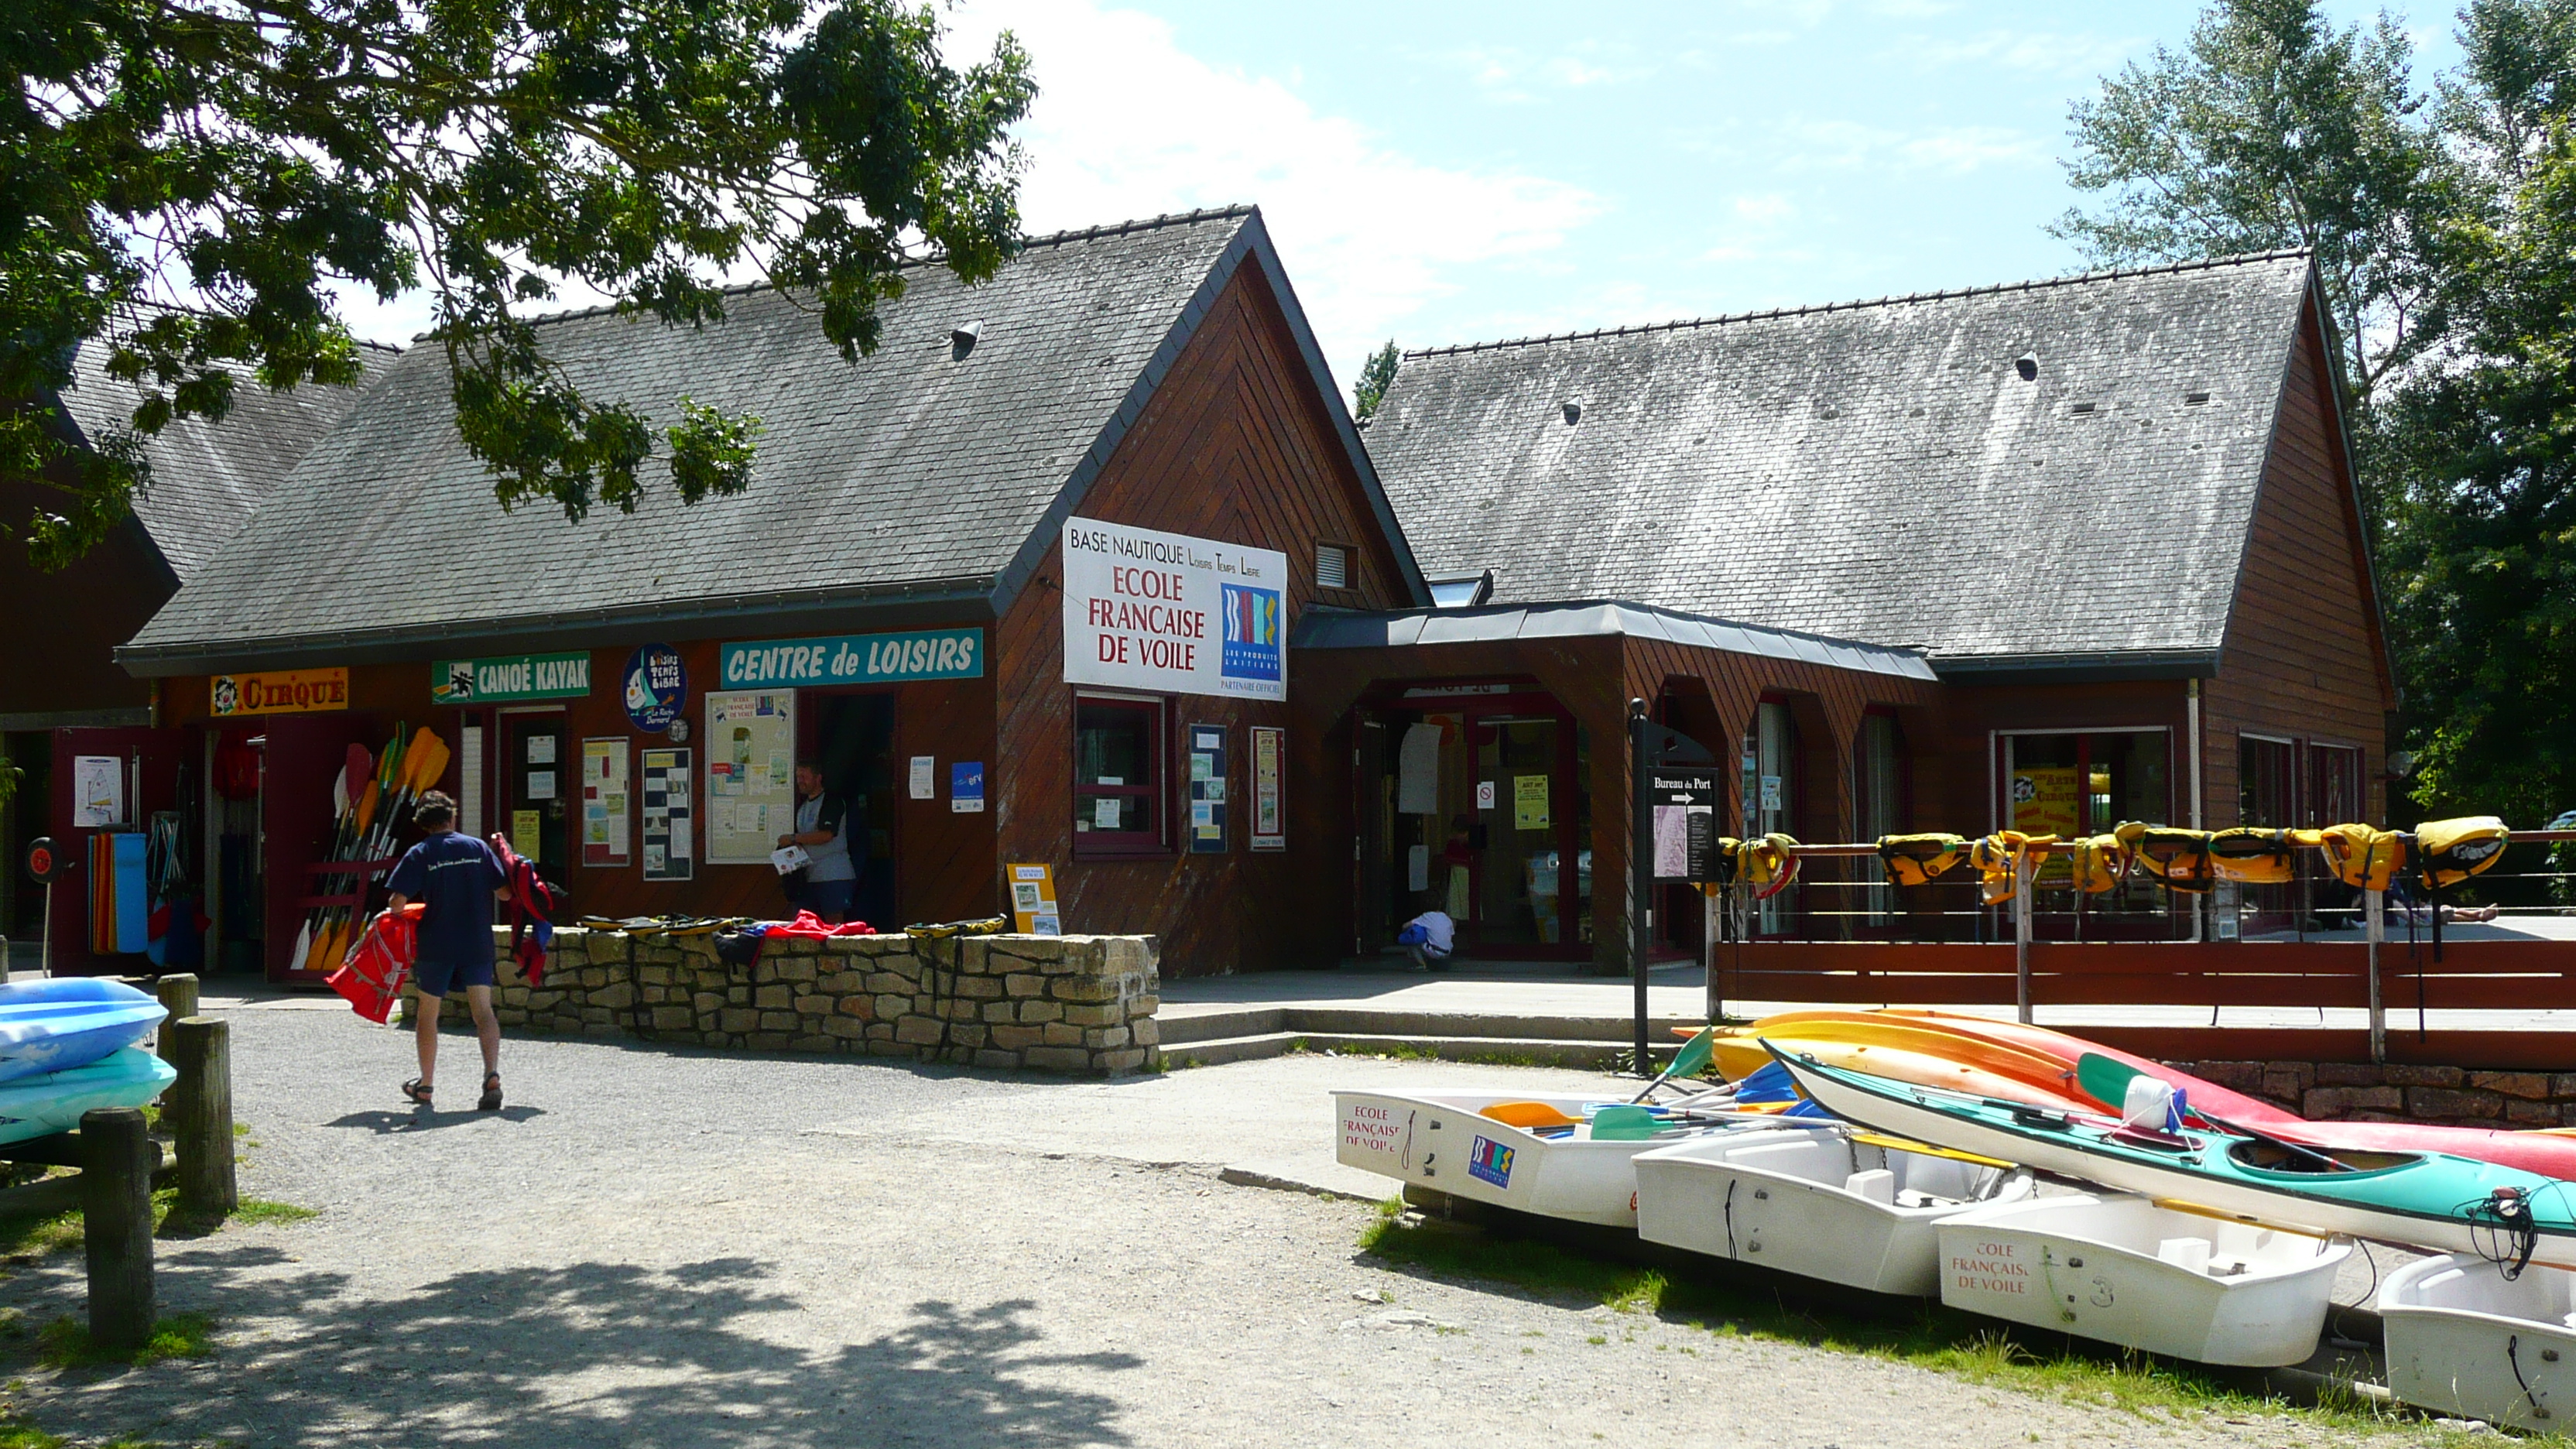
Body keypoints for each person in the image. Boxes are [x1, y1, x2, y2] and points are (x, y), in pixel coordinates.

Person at [383, 790, 512, 1112]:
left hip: (436, 945)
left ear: (423, 824)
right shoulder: (477, 847)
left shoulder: (420, 852)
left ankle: (425, 1086)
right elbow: (507, 894)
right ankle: (491, 1076)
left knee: (428, 1015)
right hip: (476, 942)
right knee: (483, 1011)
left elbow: (396, 903)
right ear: (452, 817)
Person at [776, 764, 859, 923]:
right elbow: (804, 839)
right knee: (805, 926)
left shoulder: (832, 801)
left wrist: (794, 839)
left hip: (833, 876)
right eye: (798, 777)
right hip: (807, 878)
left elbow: (826, 835)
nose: (800, 781)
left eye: (804, 777)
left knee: (834, 927)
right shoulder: (803, 807)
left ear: (818, 778)